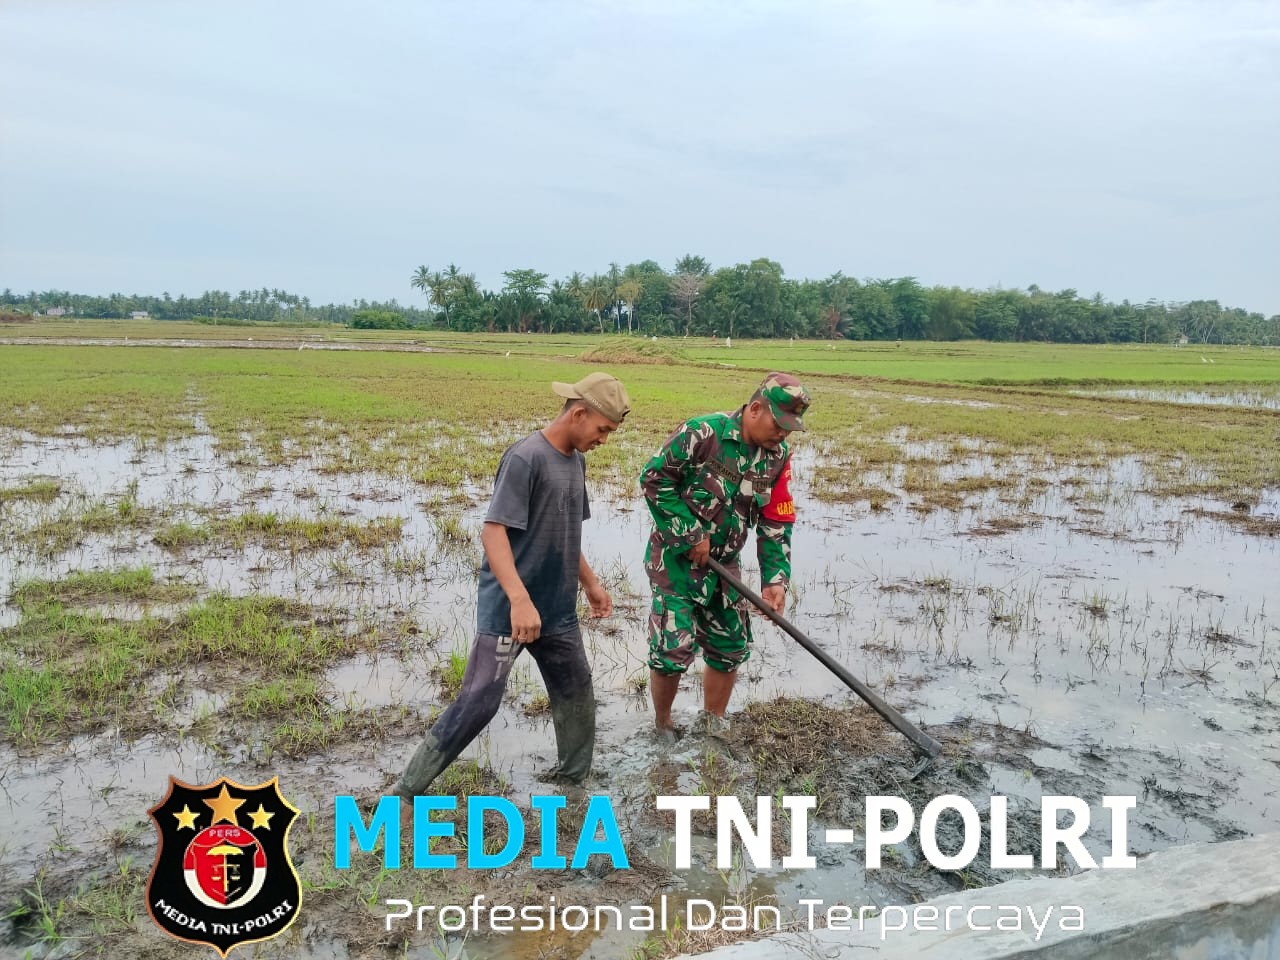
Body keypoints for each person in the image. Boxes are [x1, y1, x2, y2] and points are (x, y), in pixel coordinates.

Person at [396, 372, 630, 796]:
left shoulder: (576, 462)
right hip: (511, 610)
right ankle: (407, 791)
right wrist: (519, 600)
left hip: (556, 609)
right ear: (578, 413)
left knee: (576, 694)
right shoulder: (527, 457)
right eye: (602, 429)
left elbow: (566, 532)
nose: (603, 440)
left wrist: (592, 584)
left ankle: (573, 784)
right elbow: (493, 531)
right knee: (478, 703)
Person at [639, 372, 811, 736]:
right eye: (779, 424)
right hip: (676, 563)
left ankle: (712, 724)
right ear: (754, 409)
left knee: (729, 645)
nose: (782, 434)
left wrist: (775, 580)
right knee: (673, 649)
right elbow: (654, 479)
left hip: (724, 568)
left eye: (790, 429)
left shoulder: (776, 458)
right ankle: (663, 726)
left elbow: (775, 520)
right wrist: (691, 533)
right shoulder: (704, 433)